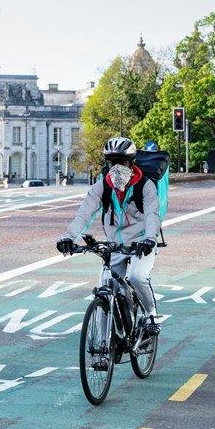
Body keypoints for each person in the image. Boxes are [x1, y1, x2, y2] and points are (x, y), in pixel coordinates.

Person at [56, 137, 162, 334]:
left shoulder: (145, 186)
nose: (116, 168)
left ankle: (151, 315)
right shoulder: (102, 187)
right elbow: (84, 214)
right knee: (105, 287)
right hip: (115, 245)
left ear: (131, 163)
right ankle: (102, 351)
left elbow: (152, 216)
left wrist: (149, 238)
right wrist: (68, 237)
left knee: (137, 277)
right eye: (111, 163)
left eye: (121, 163)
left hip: (141, 243)